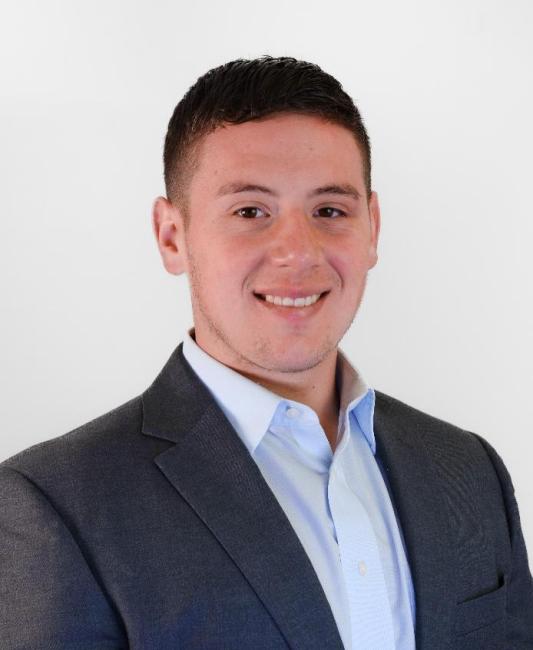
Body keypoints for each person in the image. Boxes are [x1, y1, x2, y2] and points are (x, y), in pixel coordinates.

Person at [1, 56, 531, 650]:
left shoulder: (468, 469)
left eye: (329, 210)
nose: (297, 252)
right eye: (250, 211)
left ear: (372, 229)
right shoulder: (58, 504)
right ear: (172, 237)